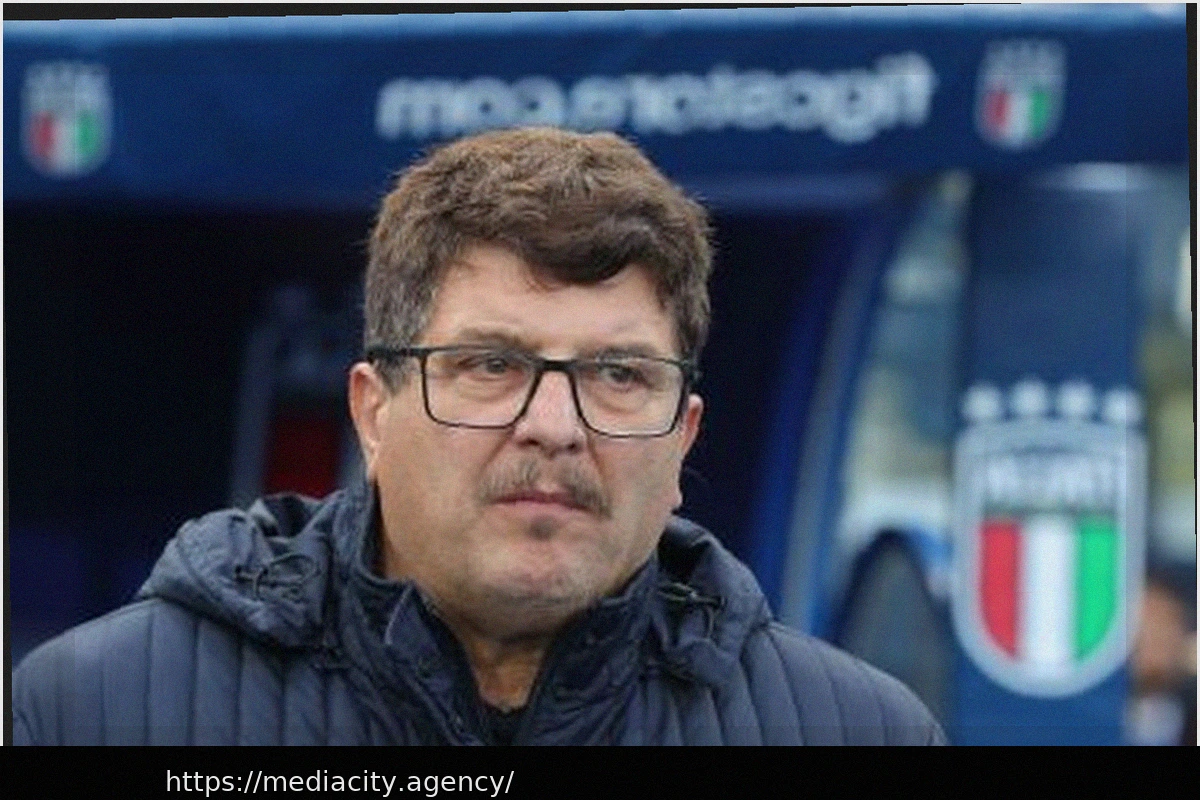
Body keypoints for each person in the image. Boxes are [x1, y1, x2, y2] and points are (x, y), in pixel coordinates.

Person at [13, 127, 944, 745]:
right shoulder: (95, 712)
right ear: (373, 412)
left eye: (619, 376)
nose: (554, 428)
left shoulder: (859, 733)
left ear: (683, 439)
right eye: (492, 365)